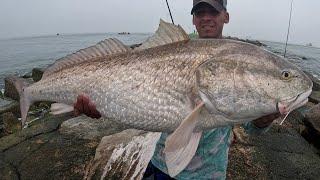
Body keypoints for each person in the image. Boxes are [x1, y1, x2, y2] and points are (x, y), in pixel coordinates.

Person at [74, 0, 280, 179]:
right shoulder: (174, 46)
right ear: (193, 19)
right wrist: (98, 105)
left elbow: (251, 128)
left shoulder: (239, 60)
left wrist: (263, 121)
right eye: (200, 13)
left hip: (209, 173)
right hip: (161, 163)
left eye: (214, 12)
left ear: (226, 16)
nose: (206, 18)